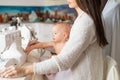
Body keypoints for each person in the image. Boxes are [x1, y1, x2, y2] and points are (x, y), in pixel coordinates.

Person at [0, 0, 108, 80]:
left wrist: (25, 69)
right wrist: (42, 45)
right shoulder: (86, 18)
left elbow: (64, 61)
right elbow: (71, 48)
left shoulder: (85, 22)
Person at [101, 0, 120, 68]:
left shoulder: (115, 8)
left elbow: (116, 40)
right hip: (100, 58)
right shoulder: (93, 6)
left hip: (113, 57)